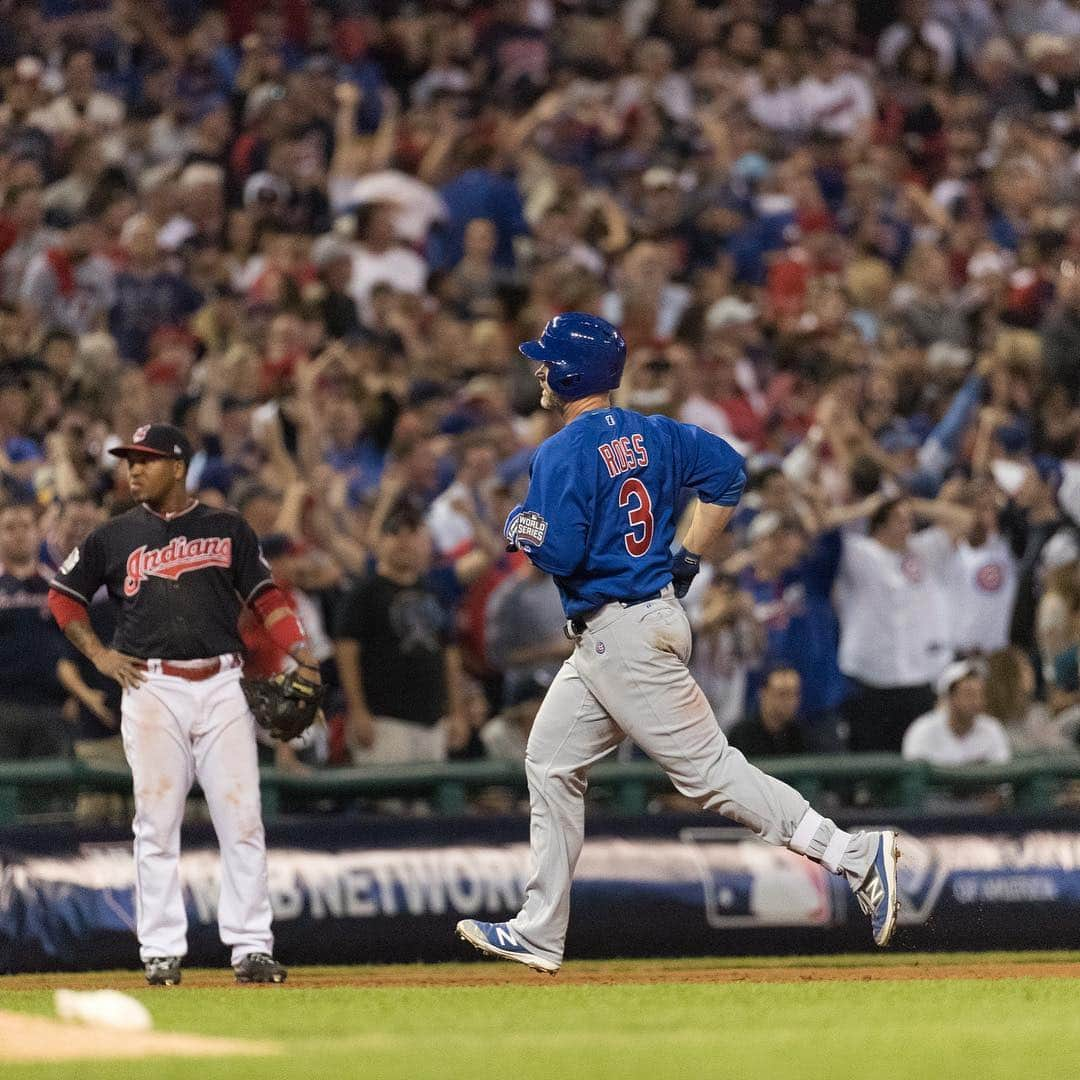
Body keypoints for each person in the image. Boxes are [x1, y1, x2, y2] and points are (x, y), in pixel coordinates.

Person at [456, 313, 900, 975]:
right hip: (634, 623)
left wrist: (522, 527)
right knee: (549, 762)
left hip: (623, 631)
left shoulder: (562, 450)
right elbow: (729, 475)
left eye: (548, 360)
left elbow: (564, 549)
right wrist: (688, 553)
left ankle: (854, 856)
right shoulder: (653, 431)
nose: (539, 369)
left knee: (711, 774)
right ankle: (540, 930)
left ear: (571, 371)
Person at [48, 423, 317, 986]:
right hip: (152, 687)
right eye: (129, 461)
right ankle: (161, 950)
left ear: (178, 466)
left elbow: (265, 597)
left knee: (242, 818)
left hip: (222, 684)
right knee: (156, 821)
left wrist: (301, 651)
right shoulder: (114, 535)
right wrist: (98, 655)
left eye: (146, 459)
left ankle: (250, 947)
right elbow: (63, 596)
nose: (133, 469)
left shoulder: (226, 527)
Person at [334, 504, 470, 763]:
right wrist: (358, 711)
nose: (403, 540)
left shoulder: (435, 592)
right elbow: (346, 653)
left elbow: (450, 656)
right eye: (395, 532)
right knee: (388, 802)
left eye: (412, 533)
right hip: (383, 721)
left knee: (430, 802)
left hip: (433, 720)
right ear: (380, 542)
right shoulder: (363, 593)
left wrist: (457, 712)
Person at [0, 501, 70, 763]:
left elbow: (73, 645)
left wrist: (73, 696)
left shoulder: (58, 586)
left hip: (52, 710)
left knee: (51, 799)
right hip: (4, 709)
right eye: (9, 528)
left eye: (25, 526)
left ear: (38, 532)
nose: (19, 534)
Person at [902, 660, 1012, 766]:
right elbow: (914, 777)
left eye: (981, 694)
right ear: (949, 697)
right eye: (969, 694)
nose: (977, 701)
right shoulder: (923, 730)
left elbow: (1002, 778)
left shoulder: (992, 728)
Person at [728, 666, 807, 758]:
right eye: (782, 694)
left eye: (794, 694)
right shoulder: (741, 736)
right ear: (763, 694)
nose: (789, 701)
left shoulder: (801, 736)